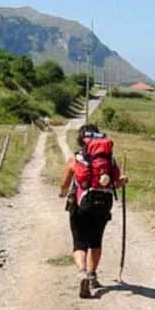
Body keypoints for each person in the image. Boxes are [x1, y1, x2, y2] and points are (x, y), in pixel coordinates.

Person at [59, 123, 127, 298]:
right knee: (96, 241)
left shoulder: (77, 159)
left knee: (79, 242)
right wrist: (123, 181)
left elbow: (65, 183)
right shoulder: (110, 161)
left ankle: (82, 272)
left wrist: (63, 192)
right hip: (104, 203)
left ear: (82, 140)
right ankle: (92, 275)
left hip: (82, 203)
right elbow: (116, 183)